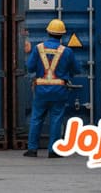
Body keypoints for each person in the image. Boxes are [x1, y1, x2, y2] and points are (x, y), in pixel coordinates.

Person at [23, 18, 80, 158]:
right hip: (59, 90)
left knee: (36, 118)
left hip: (41, 90)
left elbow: (29, 67)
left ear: (48, 32)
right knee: (56, 119)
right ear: (62, 35)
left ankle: (32, 150)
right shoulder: (67, 51)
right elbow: (76, 70)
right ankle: (53, 151)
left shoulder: (38, 48)